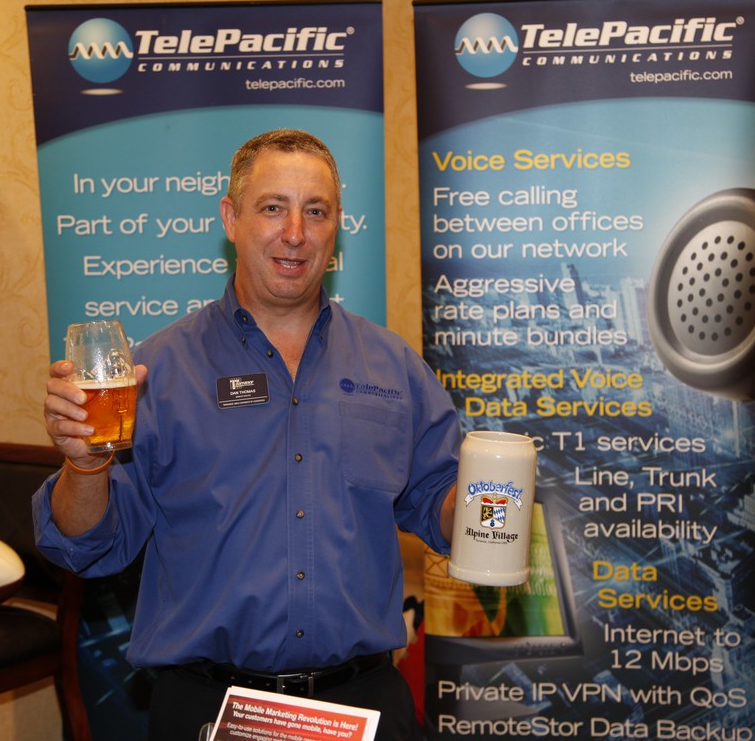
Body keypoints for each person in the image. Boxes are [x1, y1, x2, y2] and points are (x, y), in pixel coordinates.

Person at [33, 128, 461, 741]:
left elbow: (443, 503)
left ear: (337, 226)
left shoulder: (392, 367)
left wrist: (492, 495)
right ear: (231, 219)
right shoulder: (156, 373)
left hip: (362, 706)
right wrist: (84, 466)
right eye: (273, 207)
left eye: (316, 211)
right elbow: (85, 545)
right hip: (210, 710)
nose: (296, 233)